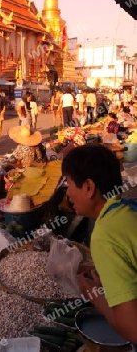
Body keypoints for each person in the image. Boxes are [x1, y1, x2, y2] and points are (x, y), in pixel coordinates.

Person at [62, 144, 137, 343]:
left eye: (69, 184)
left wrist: (95, 296)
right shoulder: (127, 211)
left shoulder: (104, 236)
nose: (67, 193)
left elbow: (133, 330)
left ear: (88, 187)